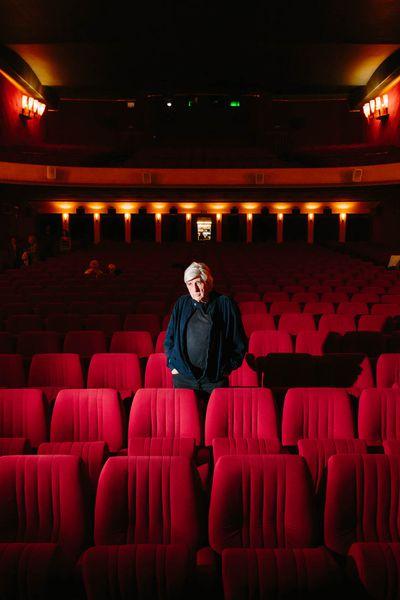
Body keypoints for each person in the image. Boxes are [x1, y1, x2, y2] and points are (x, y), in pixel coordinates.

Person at [164, 261, 246, 395]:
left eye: (198, 283)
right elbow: (170, 338)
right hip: (183, 377)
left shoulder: (225, 304)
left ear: (207, 281)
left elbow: (239, 342)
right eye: (189, 284)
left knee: (215, 416)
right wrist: (173, 365)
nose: (194, 289)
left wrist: (226, 368)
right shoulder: (181, 303)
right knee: (186, 416)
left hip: (214, 378)